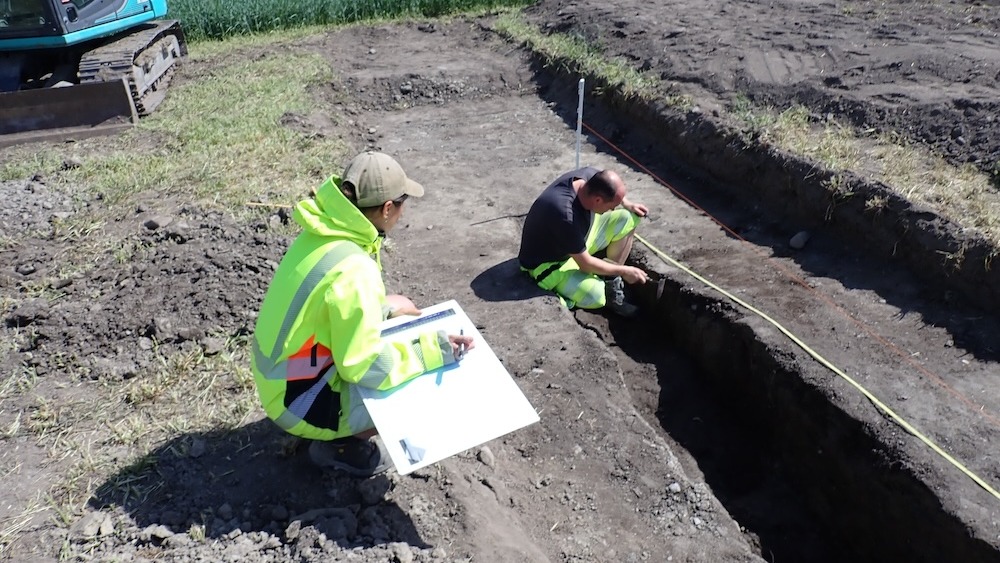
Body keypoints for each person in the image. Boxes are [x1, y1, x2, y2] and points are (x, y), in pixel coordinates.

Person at [251, 150, 475, 477]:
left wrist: (383, 308)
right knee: (414, 395)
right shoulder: (356, 271)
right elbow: (363, 366)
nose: (402, 212)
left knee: (396, 326)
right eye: (401, 203)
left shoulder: (324, 233)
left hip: (278, 378)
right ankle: (338, 447)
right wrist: (432, 351)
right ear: (387, 209)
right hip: (294, 402)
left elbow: (330, 309)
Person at [517, 166, 650, 316]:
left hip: (574, 243)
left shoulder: (590, 178)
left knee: (627, 219)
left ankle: (611, 282)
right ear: (598, 200)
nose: (613, 209)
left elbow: (608, 181)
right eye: (612, 206)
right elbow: (585, 264)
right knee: (597, 297)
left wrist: (627, 204)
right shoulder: (565, 215)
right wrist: (624, 270)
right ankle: (565, 298)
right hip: (548, 264)